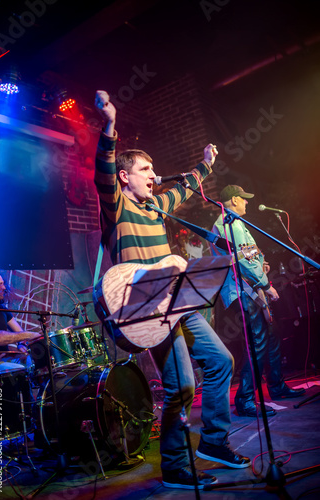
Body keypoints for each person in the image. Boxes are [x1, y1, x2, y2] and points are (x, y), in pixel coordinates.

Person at [92, 91, 250, 490]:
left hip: (180, 300)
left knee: (220, 361)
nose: (152, 174)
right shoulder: (117, 207)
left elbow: (190, 185)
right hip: (149, 309)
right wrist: (109, 127)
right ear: (125, 176)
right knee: (182, 385)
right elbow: (102, 174)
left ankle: (213, 442)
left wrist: (206, 164)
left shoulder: (156, 207)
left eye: (153, 169)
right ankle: (177, 467)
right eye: (145, 169)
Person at [211, 185, 306, 418]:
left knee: (271, 336)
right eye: (244, 199)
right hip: (243, 291)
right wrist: (265, 284)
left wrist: (261, 263)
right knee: (257, 343)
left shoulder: (236, 222)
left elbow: (249, 254)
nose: (247, 203)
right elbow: (241, 263)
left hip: (250, 289)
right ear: (233, 200)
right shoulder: (228, 224)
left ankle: (276, 386)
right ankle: (244, 399)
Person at [0, 269, 41, 371]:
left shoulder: (2, 309)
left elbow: (20, 333)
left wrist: (21, 342)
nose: (4, 288)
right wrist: (29, 335)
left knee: (34, 362)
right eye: (0, 284)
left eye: (3, 284)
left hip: (4, 359)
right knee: (18, 369)